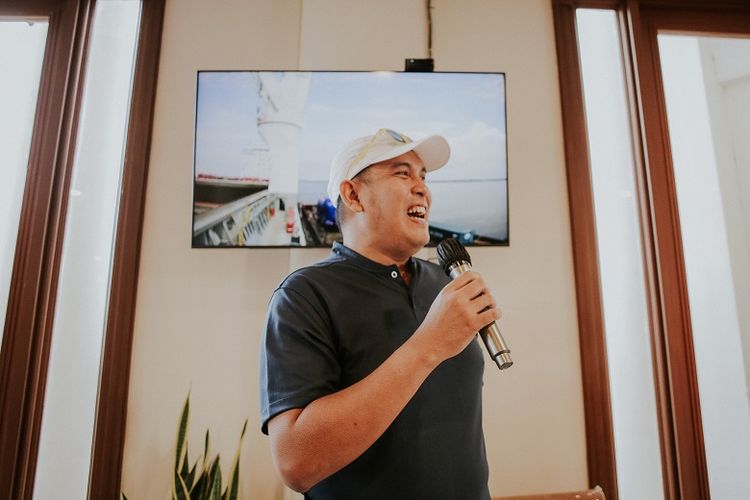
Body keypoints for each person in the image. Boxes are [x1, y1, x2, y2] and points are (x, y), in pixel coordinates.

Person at [259, 128, 501, 499]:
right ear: (353, 195)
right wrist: (429, 345)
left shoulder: (445, 283)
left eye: (423, 177)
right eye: (402, 174)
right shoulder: (303, 296)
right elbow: (296, 462)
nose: (422, 189)